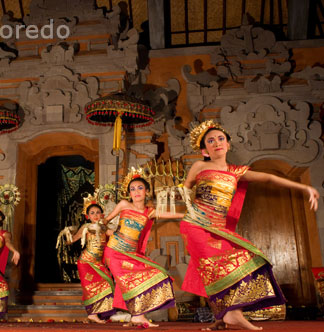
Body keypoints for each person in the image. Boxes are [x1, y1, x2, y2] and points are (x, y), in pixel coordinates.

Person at [180, 120, 320, 330]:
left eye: (220, 139)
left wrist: (304, 188)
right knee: (219, 267)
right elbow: (185, 188)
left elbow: (269, 179)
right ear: (205, 150)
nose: (216, 142)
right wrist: (185, 199)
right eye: (210, 140)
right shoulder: (200, 166)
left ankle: (222, 316)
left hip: (218, 228)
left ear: (228, 144)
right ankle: (234, 314)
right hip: (196, 225)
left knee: (249, 258)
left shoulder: (236, 172)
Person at [103, 169, 184, 328]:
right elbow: (103, 223)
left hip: (131, 254)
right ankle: (138, 316)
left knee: (158, 273)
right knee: (129, 283)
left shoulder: (149, 212)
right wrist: (111, 232)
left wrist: (187, 216)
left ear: (147, 191)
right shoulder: (124, 204)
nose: (136, 192)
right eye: (132, 189)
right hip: (114, 252)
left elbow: (171, 214)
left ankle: (137, 316)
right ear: (129, 193)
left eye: (140, 188)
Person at [67, 196, 115, 323]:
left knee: (108, 282)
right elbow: (72, 240)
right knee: (90, 287)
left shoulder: (104, 228)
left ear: (102, 215)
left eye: (98, 212)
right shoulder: (86, 227)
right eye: (92, 213)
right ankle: (92, 314)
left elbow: (116, 236)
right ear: (87, 216)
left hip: (98, 263)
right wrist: (66, 234)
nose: (95, 215)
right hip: (86, 262)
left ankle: (103, 312)